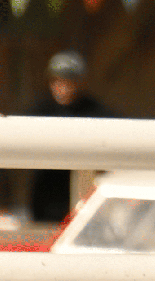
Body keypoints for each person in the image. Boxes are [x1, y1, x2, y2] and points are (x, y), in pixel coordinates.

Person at [28, 50, 115, 224]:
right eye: (57, 80)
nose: (63, 86)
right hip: (46, 198)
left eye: (69, 80)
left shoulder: (95, 111)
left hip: (83, 199)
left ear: (80, 82)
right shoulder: (40, 110)